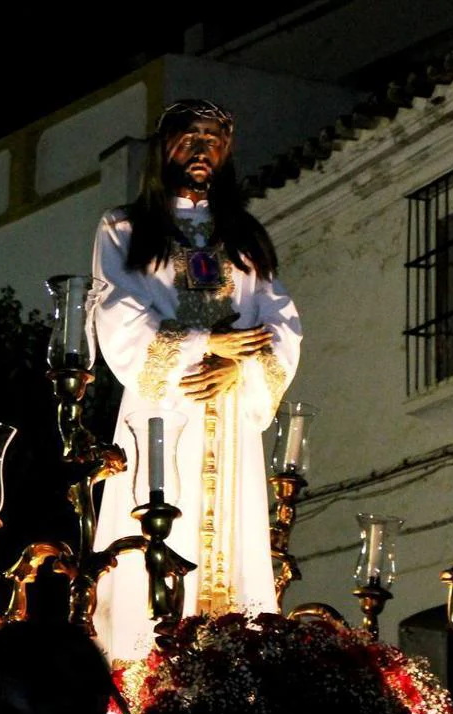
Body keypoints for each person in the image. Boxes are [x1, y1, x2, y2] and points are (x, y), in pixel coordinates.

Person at [91, 99, 301, 662]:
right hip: (163, 410)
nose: (202, 149)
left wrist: (240, 363)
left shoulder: (246, 239)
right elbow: (117, 312)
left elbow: (280, 318)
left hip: (229, 413)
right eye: (190, 137)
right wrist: (205, 343)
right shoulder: (125, 229)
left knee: (235, 549)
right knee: (155, 536)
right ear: (166, 149)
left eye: (214, 139)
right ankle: (142, 670)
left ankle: (233, 669)